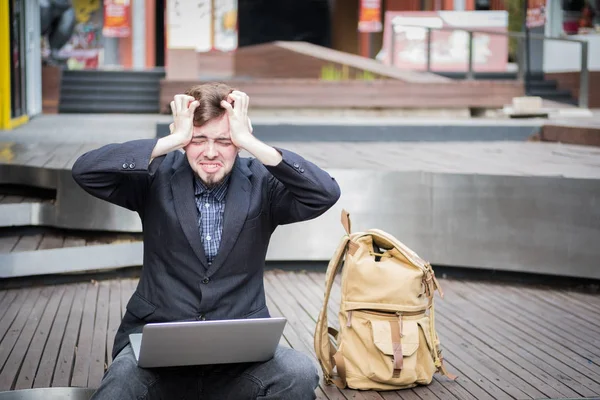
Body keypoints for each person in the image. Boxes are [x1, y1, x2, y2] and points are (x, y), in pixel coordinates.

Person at [71, 82, 341, 399]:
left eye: (224, 141)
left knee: (298, 373)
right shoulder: (155, 176)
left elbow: (325, 193)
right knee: (118, 387)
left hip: (239, 360)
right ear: (184, 140)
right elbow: (85, 171)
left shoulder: (262, 183)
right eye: (198, 140)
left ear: (239, 142)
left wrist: (252, 142)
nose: (210, 152)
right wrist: (170, 140)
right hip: (157, 359)